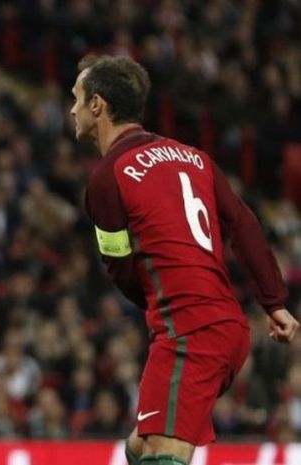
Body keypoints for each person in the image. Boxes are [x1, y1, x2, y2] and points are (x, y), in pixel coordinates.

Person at [72, 55, 299, 465]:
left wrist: (161, 302)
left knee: (163, 452)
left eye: (76, 98)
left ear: (97, 105)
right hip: (226, 326)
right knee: (139, 446)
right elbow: (244, 225)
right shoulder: (194, 157)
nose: (71, 109)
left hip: (188, 331)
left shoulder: (107, 177)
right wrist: (274, 301)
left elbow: (120, 270)